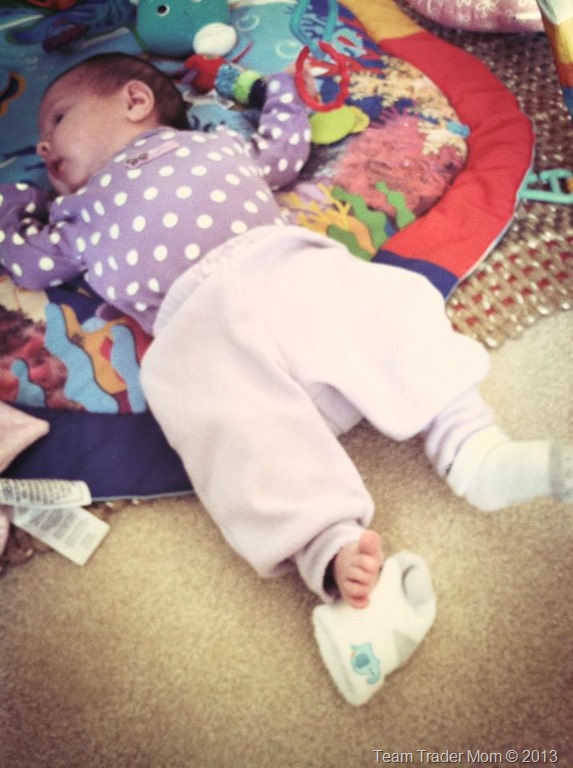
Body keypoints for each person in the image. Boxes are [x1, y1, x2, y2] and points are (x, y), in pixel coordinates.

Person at [0, 52, 571, 703]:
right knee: (219, 419)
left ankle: (473, 449)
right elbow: (28, 262)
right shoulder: (76, 214)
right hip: (195, 322)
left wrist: (277, 91)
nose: (42, 144)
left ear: (134, 101)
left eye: (58, 118)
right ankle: (331, 551)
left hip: (277, 264)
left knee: (387, 302)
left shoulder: (212, 144)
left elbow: (283, 150)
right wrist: (18, 199)